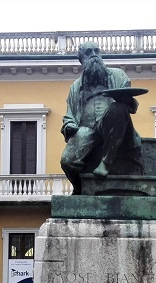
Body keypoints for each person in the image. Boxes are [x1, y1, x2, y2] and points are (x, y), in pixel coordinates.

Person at [60, 41, 142, 195]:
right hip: (85, 128)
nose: (94, 56)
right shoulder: (76, 87)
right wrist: (69, 125)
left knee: (117, 108)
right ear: (82, 59)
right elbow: (69, 115)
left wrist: (124, 98)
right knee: (67, 161)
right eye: (89, 52)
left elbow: (130, 105)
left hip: (112, 124)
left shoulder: (118, 75)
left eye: (97, 51)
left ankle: (106, 162)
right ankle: (80, 190)